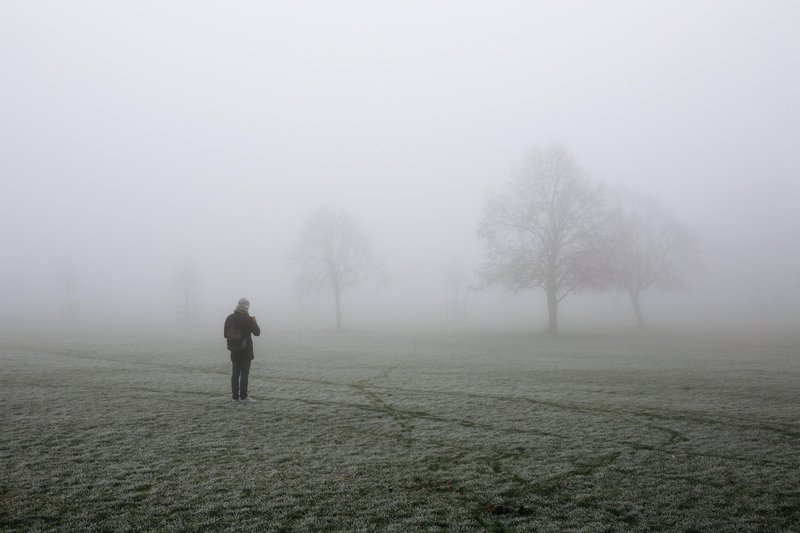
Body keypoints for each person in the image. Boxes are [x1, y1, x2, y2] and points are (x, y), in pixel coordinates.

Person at [224, 297, 261, 402]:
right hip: (246, 351)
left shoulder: (229, 318)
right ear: (246, 306)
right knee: (244, 374)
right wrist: (254, 322)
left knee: (235, 374)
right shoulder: (248, 319)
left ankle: (235, 397)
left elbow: (225, 334)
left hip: (234, 350)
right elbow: (257, 333)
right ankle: (244, 397)